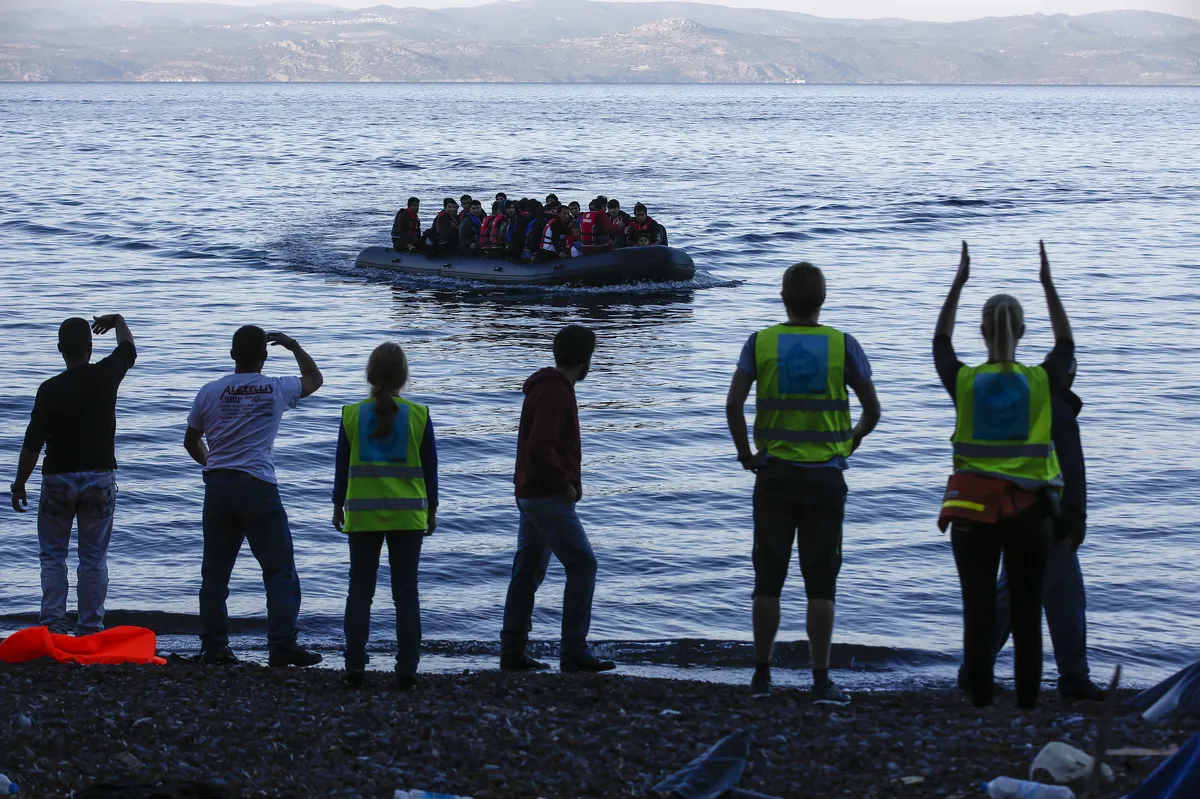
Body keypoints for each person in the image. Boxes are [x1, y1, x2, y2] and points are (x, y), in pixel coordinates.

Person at [726, 263, 881, 703]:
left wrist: (746, 456)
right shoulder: (842, 345)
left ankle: (761, 676)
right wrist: (849, 443)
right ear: (822, 298)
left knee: (767, 578)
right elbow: (873, 410)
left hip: (773, 475)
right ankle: (820, 679)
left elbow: (734, 404)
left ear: (783, 297)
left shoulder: (761, 342)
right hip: (825, 480)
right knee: (821, 582)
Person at [934, 241, 1073, 711]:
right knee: (1027, 610)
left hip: (973, 510)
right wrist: (1048, 284)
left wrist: (958, 282)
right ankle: (1028, 705)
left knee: (976, 611)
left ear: (982, 331)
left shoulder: (966, 381)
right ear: (1023, 331)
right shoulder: (1041, 380)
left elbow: (940, 344)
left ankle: (978, 701)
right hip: (1031, 512)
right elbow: (1066, 345)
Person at [183, 325, 324, 667]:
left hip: (218, 487)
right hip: (258, 486)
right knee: (279, 571)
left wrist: (213, 465)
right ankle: (281, 645)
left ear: (233, 355)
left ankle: (215, 647)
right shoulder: (277, 387)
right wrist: (293, 344)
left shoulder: (210, 391)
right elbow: (314, 378)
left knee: (215, 575)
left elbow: (191, 440)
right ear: (264, 356)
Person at [986, 359, 1106, 701]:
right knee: (1068, 596)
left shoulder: (1019, 408)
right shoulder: (1060, 415)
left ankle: (974, 668)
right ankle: (1073, 677)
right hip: (1047, 520)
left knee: (1008, 597)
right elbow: (1072, 473)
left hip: (1013, 514)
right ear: (1068, 379)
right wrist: (1075, 522)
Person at [11, 314, 136, 636]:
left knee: (53, 555)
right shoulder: (107, 375)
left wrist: (19, 483)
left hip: (58, 480)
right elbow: (128, 348)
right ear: (91, 347)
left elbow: (32, 443)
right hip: (99, 478)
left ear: (59, 349)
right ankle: (90, 628)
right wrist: (118, 319)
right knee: (93, 559)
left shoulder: (49, 389)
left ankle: (53, 626)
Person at [500, 325, 615, 674]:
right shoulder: (557, 394)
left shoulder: (545, 389)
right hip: (545, 493)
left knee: (528, 569)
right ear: (586, 359)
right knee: (583, 564)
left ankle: (513, 650)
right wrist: (564, 484)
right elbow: (540, 447)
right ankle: (573, 651)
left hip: (529, 492)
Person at [334, 342, 438, 691]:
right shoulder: (420, 414)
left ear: (370, 375)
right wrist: (433, 510)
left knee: (360, 592)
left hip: (362, 515)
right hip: (408, 516)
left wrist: (337, 505)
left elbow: (342, 470)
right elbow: (430, 470)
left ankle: (353, 666)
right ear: (404, 377)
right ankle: (407, 668)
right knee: (406, 594)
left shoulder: (351, 413)